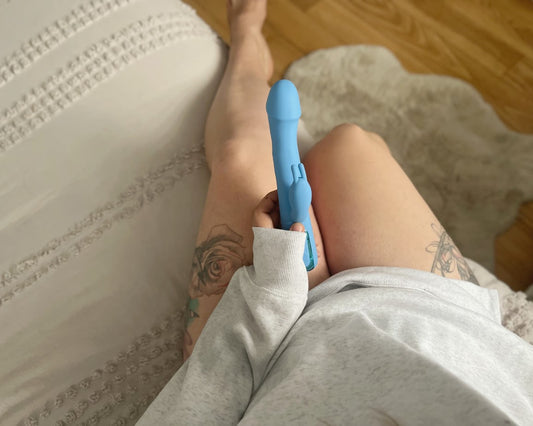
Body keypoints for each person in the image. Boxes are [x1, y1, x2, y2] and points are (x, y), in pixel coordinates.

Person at [137, 0, 533, 424]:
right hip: (439, 324)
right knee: (349, 145)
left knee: (241, 156)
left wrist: (273, 289)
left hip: (274, 361)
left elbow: (200, 404)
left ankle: (247, 43)